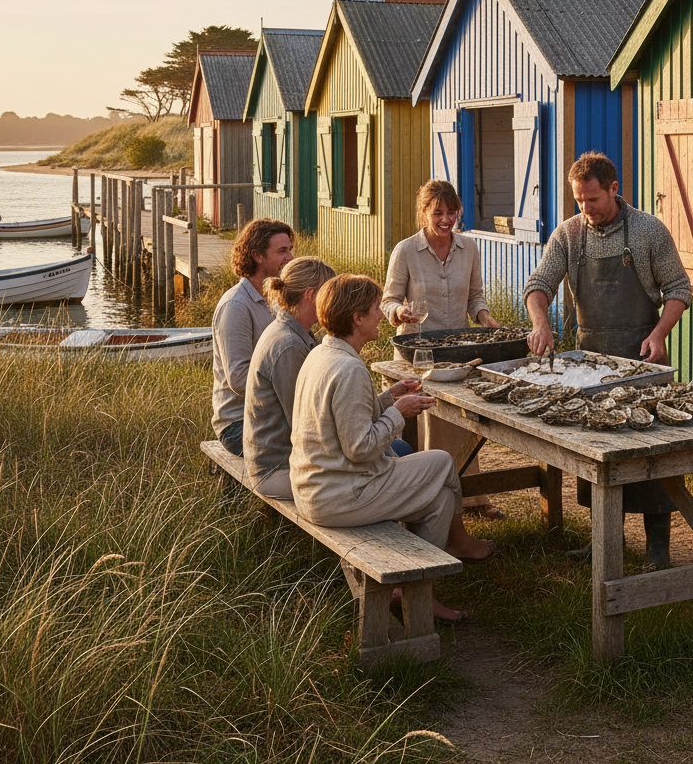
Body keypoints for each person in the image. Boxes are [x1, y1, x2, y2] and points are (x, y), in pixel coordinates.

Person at [290, 274, 496, 624]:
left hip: (316, 487)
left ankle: (419, 594)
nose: (379, 316)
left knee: (441, 499)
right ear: (357, 319)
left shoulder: (322, 353)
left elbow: (345, 419)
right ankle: (455, 547)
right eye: (374, 310)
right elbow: (359, 448)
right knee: (444, 463)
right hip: (340, 494)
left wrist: (389, 396)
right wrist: (398, 414)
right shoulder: (349, 368)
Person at [523, 152, 692, 567]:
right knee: (596, 454)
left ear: (614, 189)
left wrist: (658, 334)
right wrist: (541, 322)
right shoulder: (569, 235)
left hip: (643, 363)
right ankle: (605, 544)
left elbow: (679, 290)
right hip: (590, 369)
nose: (586, 209)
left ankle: (658, 551)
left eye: (592, 199)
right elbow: (538, 284)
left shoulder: (649, 231)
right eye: (578, 200)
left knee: (652, 454)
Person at [381, 179, 504, 519]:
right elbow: (388, 299)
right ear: (424, 213)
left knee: (465, 423)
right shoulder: (406, 251)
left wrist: (484, 317)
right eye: (438, 213)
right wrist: (397, 312)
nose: (446, 219)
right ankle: (433, 504)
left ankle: (473, 500)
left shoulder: (469, 248)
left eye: (452, 212)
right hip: (418, 354)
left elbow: (475, 296)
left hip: (459, 353)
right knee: (431, 422)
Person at [245, 257, 413, 500]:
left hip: (289, 460)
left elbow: (331, 412)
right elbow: (309, 424)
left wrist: (388, 400)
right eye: (328, 291)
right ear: (311, 295)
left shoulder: (295, 332)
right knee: (397, 456)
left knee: (398, 452)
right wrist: (392, 416)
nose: (334, 299)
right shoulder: (289, 346)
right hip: (279, 470)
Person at [211, 218, 295, 455]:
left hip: (274, 417)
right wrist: (288, 378)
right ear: (257, 256)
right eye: (282, 251)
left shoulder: (279, 299)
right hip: (239, 425)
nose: (290, 257)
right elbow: (238, 380)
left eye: (290, 250)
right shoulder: (235, 306)